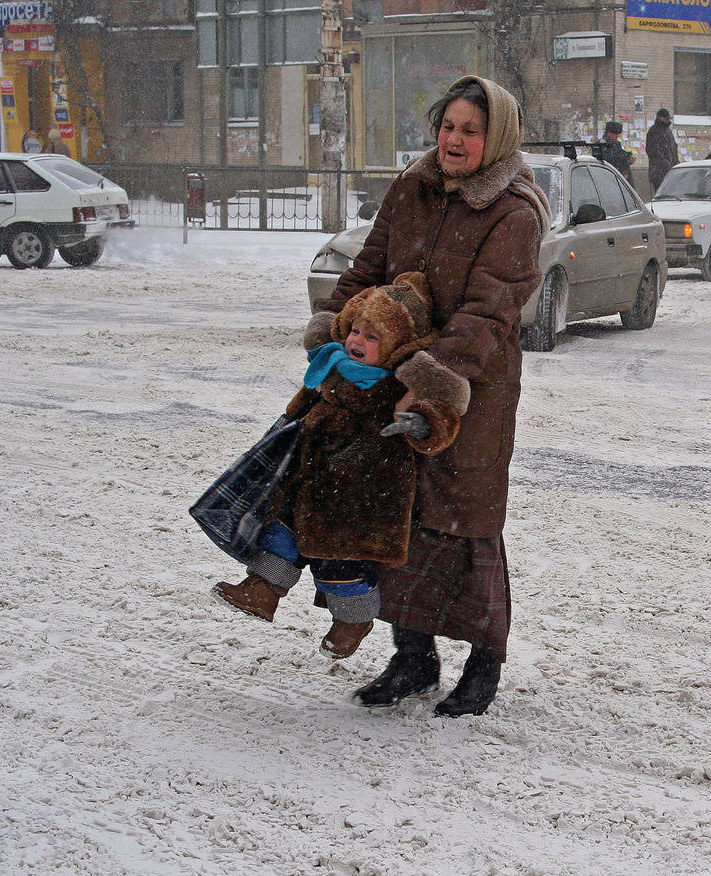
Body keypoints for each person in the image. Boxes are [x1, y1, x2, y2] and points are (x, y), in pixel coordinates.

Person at [324, 75, 550, 717]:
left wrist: (431, 380)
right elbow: (368, 268)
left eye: (470, 131)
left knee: (467, 522)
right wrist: (335, 331)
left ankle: (484, 664)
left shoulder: (514, 211)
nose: (455, 139)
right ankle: (413, 656)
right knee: (402, 517)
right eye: (448, 126)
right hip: (390, 381)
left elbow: (487, 313)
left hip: (474, 388)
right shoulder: (411, 188)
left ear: (495, 138)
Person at [212, 273, 459, 659]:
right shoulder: (333, 365)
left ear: (396, 345)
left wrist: (422, 423)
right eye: (355, 331)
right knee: (282, 534)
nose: (356, 342)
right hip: (311, 475)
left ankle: (352, 621)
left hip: (365, 496)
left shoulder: (399, 385)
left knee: (343, 565)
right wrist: (284, 427)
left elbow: (441, 418)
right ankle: (263, 591)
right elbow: (303, 403)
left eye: (371, 337)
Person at [646, 107, 680, 191]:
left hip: (670, 171)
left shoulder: (668, 131)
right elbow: (652, 151)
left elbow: (673, 149)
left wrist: (676, 164)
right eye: (666, 118)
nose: (668, 120)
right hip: (659, 172)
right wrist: (665, 164)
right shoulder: (654, 131)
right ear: (660, 118)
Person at [598, 120, 635, 185]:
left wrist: (628, 159)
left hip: (619, 176)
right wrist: (625, 157)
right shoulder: (603, 144)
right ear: (609, 133)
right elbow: (610, 158)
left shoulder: (615, 143)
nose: (617, 136)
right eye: (615, 134)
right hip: (610, 177)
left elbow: (619, 154)